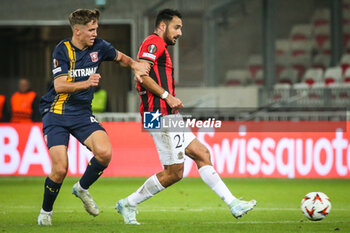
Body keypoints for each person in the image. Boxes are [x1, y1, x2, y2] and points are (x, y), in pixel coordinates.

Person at [116, 9, 256, 225]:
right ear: (162, 26)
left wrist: (168, 100)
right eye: (177, 27)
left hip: (168, 114)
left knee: (201, 153)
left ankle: (233, 203)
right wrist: (166, 96)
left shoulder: (160, 45)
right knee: (174, 173)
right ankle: (129, 203)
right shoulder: (154, 42)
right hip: (158, 114)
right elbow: (140, 74)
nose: (180, 32)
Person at [37, 9, 149, 226]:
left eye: (96, 28)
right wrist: (87, 83)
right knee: (60, 169)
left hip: (82, 114)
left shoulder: (99, 46)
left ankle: (81, 188)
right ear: (77, 31)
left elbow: (120, 57)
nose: (95, 33)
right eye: (91, 29)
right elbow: (59, 85)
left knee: (105, 153)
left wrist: (134, 64)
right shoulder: (62, 50)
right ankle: (46, 212)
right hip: (56, 113)